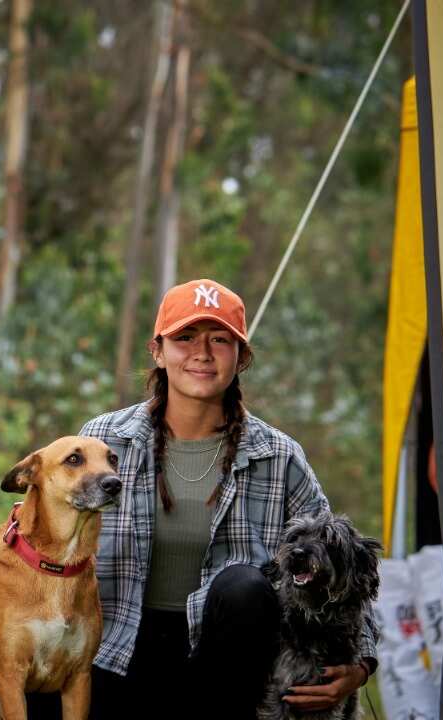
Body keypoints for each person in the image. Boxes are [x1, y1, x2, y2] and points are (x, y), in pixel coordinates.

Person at [25, 279, 379, 718]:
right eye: (185, 338)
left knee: (244, 587)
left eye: (220, 340)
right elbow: (43, 527)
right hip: (113, 646)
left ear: (241, 356)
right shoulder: (103, 440)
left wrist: (360, 665)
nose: (203, 353)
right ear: (158, 351)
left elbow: (346, 564)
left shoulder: (278, 456)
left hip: (224, 667)